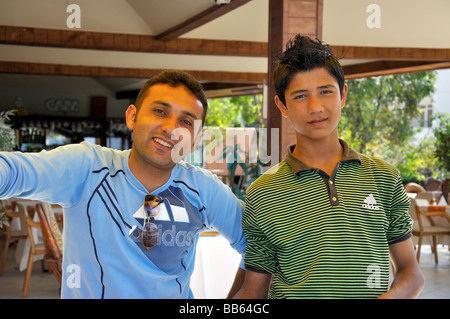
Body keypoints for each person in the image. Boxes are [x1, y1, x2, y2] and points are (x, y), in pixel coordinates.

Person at [0, 70, 246, 299]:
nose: (171, 128)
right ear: (132, 116)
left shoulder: (203, 189)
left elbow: (259, 244)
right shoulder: (87, 167)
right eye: (160, 111)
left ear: (195, 141)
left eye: (186, 122)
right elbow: (14, 172)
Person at [234, 35, 424, 299]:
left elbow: (411, 272)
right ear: (282, 105)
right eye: (301, 96)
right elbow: (253, 292)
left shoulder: (384, 177)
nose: (316, 107)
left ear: (343, 94)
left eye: (326, 92)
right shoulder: (263, 192)